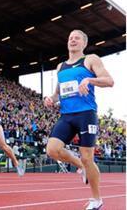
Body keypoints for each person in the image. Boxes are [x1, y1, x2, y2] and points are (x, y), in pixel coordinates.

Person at [44, 30, 114, 210]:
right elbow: (59, 94)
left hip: (86, 114)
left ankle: (97, 199)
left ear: (84, 43)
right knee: (52, 149)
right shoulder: (60, 67)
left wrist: (89, 80)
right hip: (66, 115)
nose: (72, 40)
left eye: (77, 38)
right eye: (70, 38)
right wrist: (51, 99)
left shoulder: (90, 59)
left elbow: (109, 81)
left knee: (88, 158)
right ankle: (80, 166)